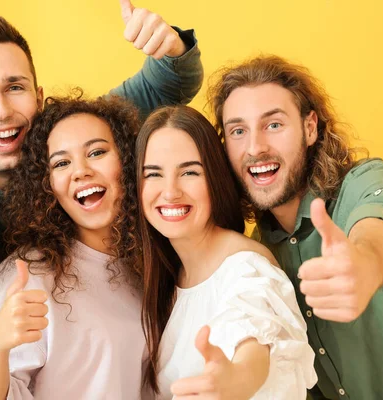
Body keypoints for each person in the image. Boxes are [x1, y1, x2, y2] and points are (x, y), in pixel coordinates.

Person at [0, 2, 203, 398]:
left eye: (14, 87)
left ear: (39, 95)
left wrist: (168, 48)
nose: (1, 110)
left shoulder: (63, 149)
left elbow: (164, 85)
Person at [207, 55, 383, 399]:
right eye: (238, 131)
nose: (256, 147)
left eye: (273, 125)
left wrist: (366, 262)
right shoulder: (260, 253)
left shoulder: (371, 181)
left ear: (310, 128)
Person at [0, 94, 149, 399]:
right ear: (47, 185)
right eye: (61, 163)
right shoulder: (31, 274)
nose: (80, 171)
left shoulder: (150, 263)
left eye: (97, 152)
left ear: (126, 160)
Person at [135, 105, 317, 399]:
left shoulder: (245, 268)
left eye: (190, 172)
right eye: (153, 174)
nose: (170, 191)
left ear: (215, 179)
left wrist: (238, 380)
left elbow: (253, 338)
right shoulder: (172, 275)